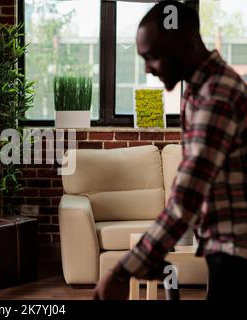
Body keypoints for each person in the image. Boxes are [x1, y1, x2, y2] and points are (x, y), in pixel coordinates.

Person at [94, 0, 247, 300]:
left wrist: (122, 271)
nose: (148, 69)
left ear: (185, 42)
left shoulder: (216, 96)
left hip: (237, 251)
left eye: (153, 56)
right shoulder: (198, 88)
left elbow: (186, 198)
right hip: (227, 248)